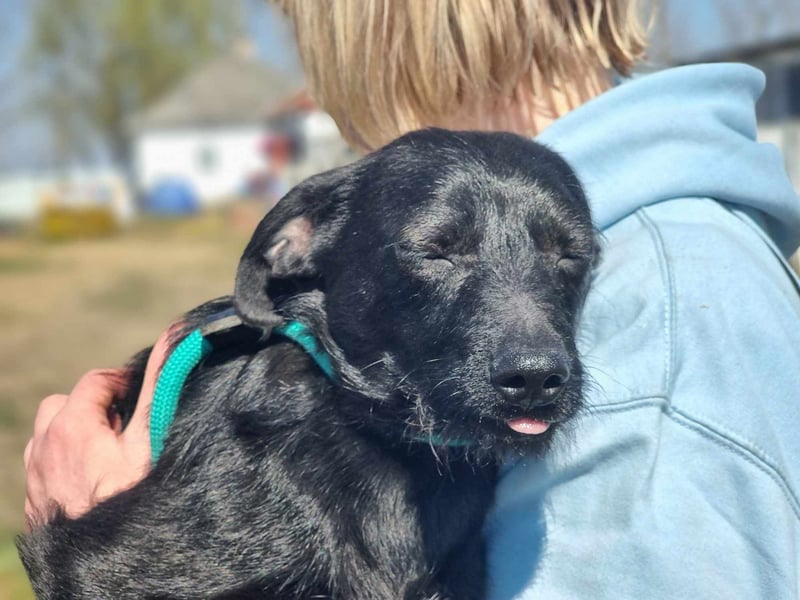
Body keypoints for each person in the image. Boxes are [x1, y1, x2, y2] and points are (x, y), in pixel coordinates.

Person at [24, 1, 800, 598]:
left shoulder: (668, 307)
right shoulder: (618, 233)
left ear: (366, 33)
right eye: (438, 248)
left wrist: (101, 525)